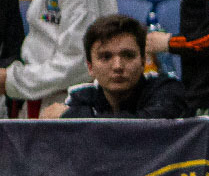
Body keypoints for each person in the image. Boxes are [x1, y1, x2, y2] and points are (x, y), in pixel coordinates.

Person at [41, 14, 185, 118]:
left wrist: (71, 117)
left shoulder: (168, 91)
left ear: (143, 62)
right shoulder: (82, 98)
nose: (117, 66)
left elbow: (141, 128)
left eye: (128, 55)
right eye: (106, 57)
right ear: (90, 67)